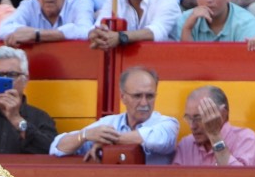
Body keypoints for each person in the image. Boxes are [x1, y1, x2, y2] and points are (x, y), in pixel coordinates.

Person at [50, 66, 178, 164]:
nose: (144, 102)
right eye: (137, 96)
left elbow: (157, 140)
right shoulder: (108, 123)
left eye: (149, 96)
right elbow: (57, 148)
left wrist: (109, 141)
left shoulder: (168, 124)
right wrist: (84, 135)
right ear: (123, 97)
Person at [173, 86, 255, 166]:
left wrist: (214, 135)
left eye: (199, 118)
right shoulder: (186, 144)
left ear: (222, 114)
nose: (192, 126)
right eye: (188, 118)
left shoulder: (245, 138)